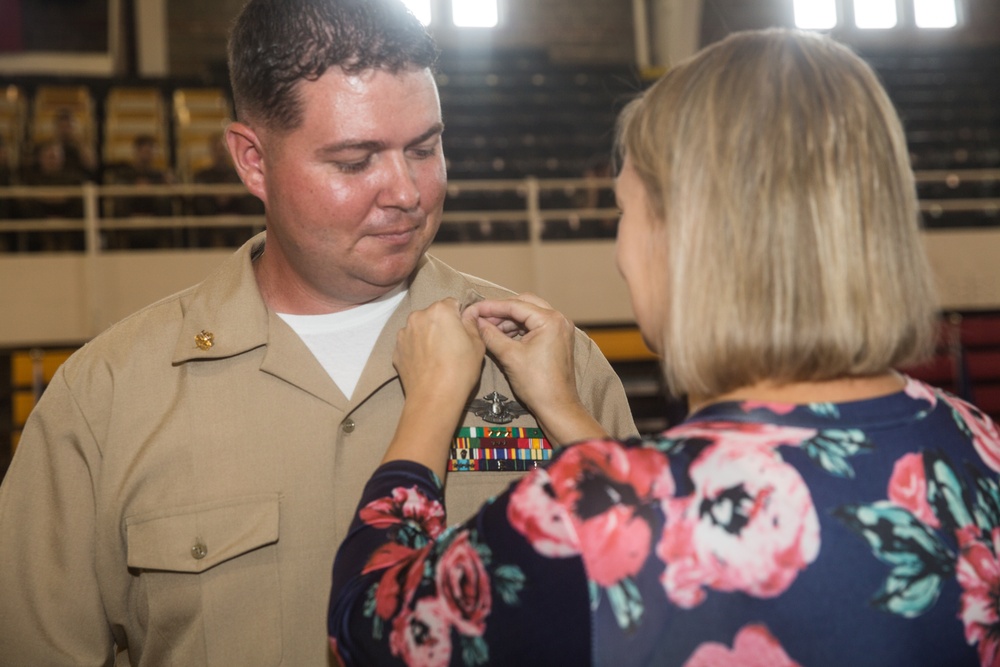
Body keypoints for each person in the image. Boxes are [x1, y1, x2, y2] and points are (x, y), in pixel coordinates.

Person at [327, 29, 1000, 666]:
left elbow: (369, 626)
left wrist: (433, 404)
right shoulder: (980, 449)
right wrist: (562, 407)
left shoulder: (582, 511)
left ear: (691, 243)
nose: (622, 255)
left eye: (626, 212)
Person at [0, 0, 635, 664]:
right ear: (253, 161)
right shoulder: (106, 401)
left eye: (425, 147)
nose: (407, 191)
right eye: (356, 161)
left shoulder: (553, 368)